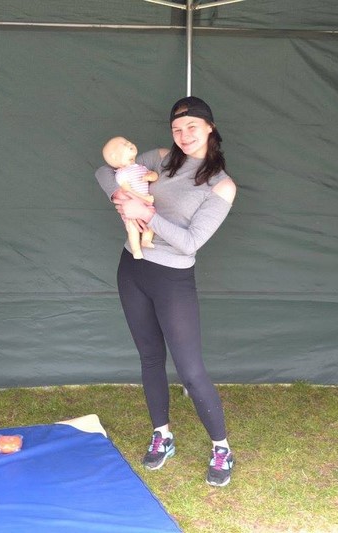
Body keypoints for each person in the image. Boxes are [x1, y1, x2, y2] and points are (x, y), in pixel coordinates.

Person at [95, 96, 237, 486]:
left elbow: (191, 242)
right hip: (133, 268)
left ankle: (222, 448)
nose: (184, 135)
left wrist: (148, 214)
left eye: (192, 126)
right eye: (177, 128)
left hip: (173, 279)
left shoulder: (221, 186)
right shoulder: (160, 158)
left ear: (210, 127)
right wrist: (118, 194)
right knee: (150, 357)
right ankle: (163, 435)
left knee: (191, 371)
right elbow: (105, 171)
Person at [101, 136, 159, 259]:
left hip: (146, 205)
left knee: (152, 223)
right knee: (132, 227)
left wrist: (151, 176)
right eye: (124, 145)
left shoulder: (141, 167)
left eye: (128, 142)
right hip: (133, 205)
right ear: (115, 157)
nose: (129, 144)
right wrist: (144, 198)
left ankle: (146, 240)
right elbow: (127, 190)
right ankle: (136, 249)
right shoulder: (122, 173)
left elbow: (154, 176)